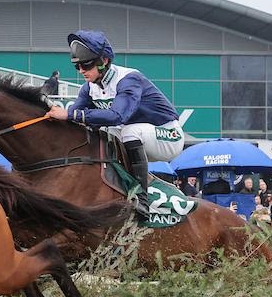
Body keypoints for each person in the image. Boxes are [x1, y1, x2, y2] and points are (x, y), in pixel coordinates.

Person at [47, 30, 185, 219]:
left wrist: (71, 113)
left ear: (104, 61)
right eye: (77, 66)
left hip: (168, 135)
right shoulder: (88, 88)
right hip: (139, 137)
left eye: (86, 64)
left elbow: (117, 116)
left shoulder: (129, 79)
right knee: (99, 132)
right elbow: (73, 120)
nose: (81, 71)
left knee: (128, 130)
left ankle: (142, 199)